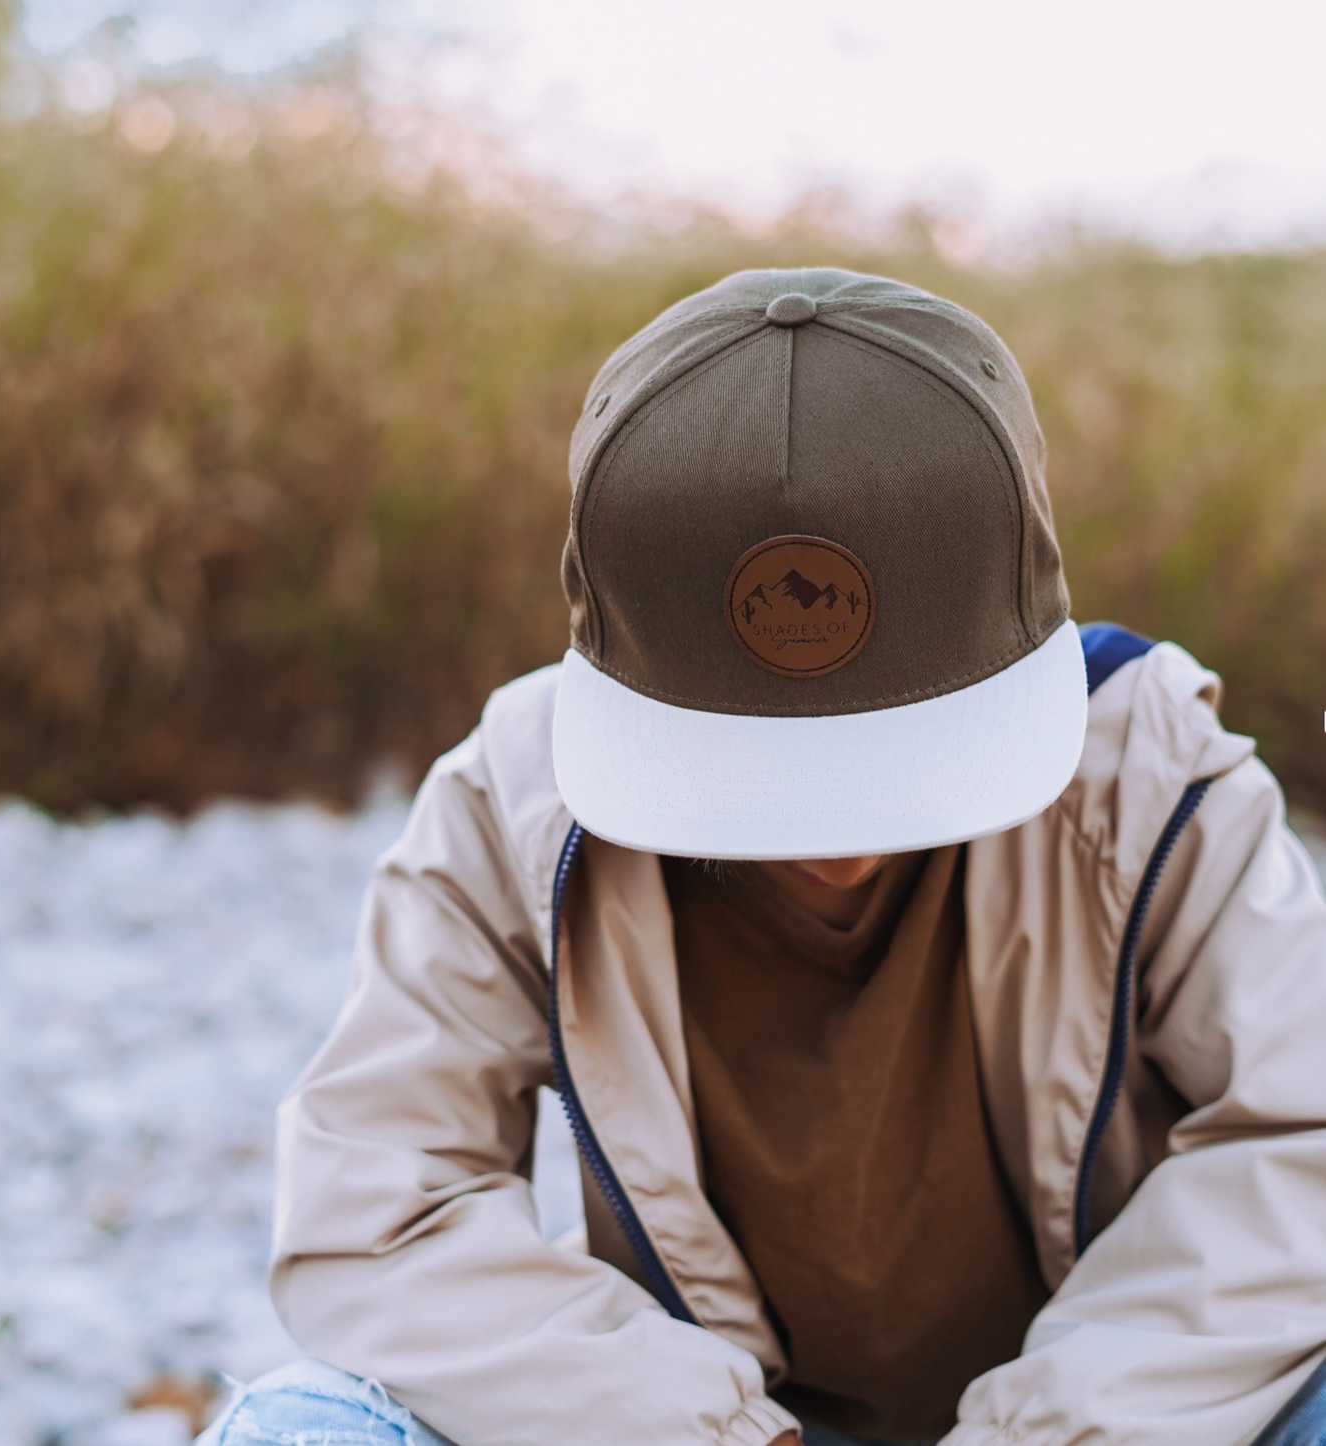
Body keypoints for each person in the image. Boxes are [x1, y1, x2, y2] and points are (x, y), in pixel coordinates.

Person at [199, 270, 1326, 1446]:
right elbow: (377, 1204)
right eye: (754, 768)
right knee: (297, 1431)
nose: (832, 839)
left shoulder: (1150, 781)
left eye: (890, 754)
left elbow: (1299, 1141)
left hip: (1107, 1424)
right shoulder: (512, 808)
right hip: (685, 1431)